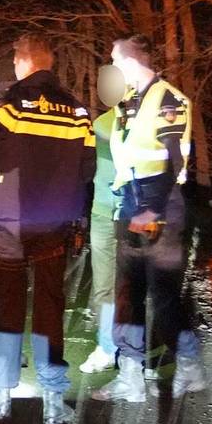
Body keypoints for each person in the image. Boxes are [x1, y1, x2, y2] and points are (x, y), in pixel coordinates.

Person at [0, 33, 95, 424]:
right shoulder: (77, 111)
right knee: (50, 306)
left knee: (9, 306)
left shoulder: (7, 104)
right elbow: (88, 170)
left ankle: (1, 396)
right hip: (55, 224)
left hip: (9, 222)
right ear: (50, 64)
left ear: (22, 63)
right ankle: (53, 400)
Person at [92, 34, 205, 403]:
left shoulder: (169, 101)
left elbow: (173, 161)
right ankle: (131, 378)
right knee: (129, 294)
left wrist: (152, 209)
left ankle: (189, 367)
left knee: (163, 296)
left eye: (113, 60)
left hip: (158, 206)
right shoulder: (130, 103)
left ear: (127, 62)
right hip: (131, 203)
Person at [79, 64, 128, 373]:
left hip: (130, 216)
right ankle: (107, 346)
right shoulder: (98, 123)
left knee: (129, 285)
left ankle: (130, 350)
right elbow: (88, 170)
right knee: (103, 285)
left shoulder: (142, 123)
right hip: (101, 213)